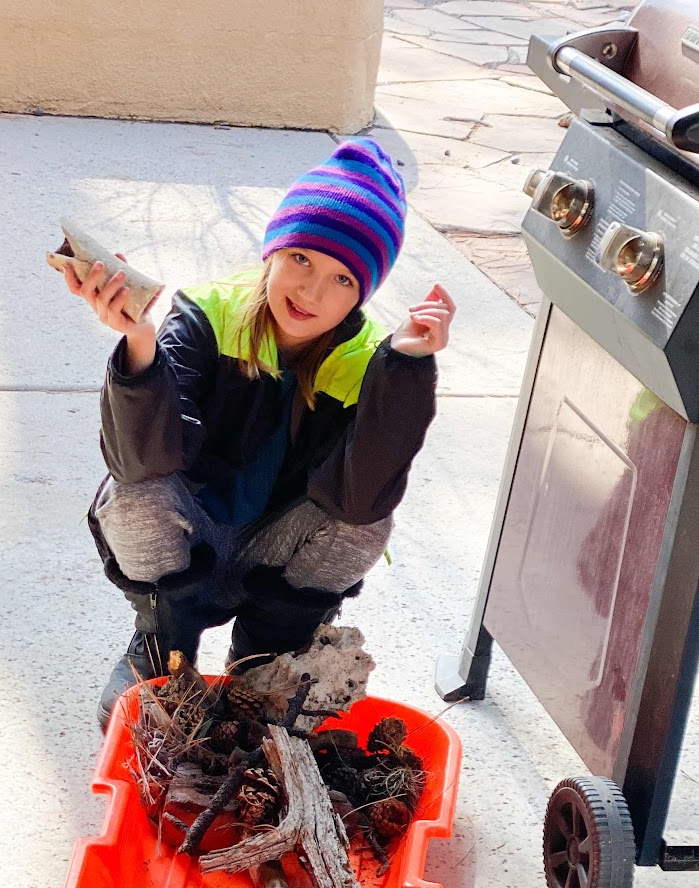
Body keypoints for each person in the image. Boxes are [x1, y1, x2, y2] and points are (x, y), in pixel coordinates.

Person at [65, 137, 456, 731]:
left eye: (342, 278)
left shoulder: (367, 362)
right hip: (190, 529)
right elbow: (141, 458)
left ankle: (265, 662)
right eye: (301, 258)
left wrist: (405, 369)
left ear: (365, 291)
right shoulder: (208, 313)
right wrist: (140, 341)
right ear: (272, 251)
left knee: (366, 523)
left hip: (279, 548)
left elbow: (362, 497)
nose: (311, 292)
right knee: (133, 491)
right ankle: (162, 650)